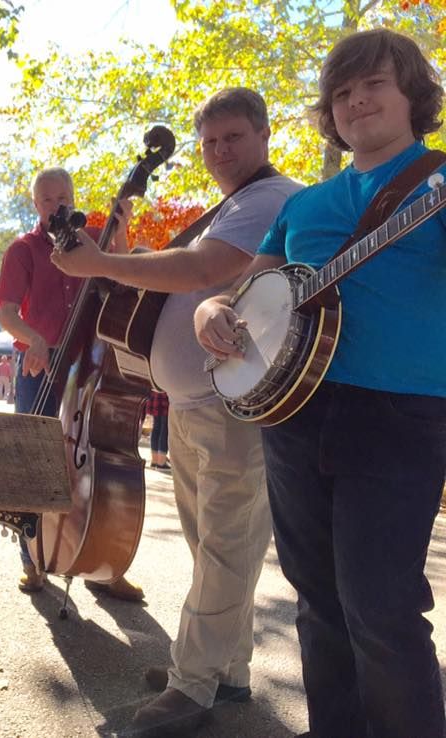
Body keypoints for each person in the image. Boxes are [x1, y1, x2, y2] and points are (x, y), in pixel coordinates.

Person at [196, 30, 446, 738]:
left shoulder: (437, 180)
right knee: (317, 599)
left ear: (413, 98)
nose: (357, 100)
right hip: (294, 411)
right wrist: (212, 314)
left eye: (375, 85)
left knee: (381, 606)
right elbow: (247, 293)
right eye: (342, 92)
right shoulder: (303, 205)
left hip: (399, 414)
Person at [52, 88, 303, 735]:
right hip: (198, 405)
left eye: (233, 138)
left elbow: (203, 270)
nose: (220, 151)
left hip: (234, 405)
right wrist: (122, 254)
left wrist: (101, 263)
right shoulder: (234, 205)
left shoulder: (270, 198)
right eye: (210, 141)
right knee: (216, 548)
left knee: (224, 549)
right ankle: (228, 672)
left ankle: (193, 686)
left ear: (264, 135)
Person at [0, 167, 144, 601]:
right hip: (40, 368)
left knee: (98, 467)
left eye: (63, 196)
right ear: (35, 205)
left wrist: (121, 227)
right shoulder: (22, 250)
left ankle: (104, 563)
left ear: (73, 196)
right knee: (35, 465)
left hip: (91, 367)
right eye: (46, 199)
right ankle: (34, 560)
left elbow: (123, 275)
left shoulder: (94, 237)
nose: (56, 204)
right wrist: (34, 339)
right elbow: (6, 313)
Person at [147, 390, 170, 471]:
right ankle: (161, 462)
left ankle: (155, 461)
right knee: (165, 428)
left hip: (156, 392)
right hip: (165, 393)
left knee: (157, 427)